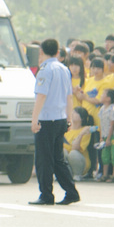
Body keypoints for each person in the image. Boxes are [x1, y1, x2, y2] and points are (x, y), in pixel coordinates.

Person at [29, 38, 80, 205]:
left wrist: (34, 119)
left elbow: (41, 96)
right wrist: (69, 117)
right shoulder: (64, 69)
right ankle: (71, 191)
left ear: (42, 52)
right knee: (58, 159)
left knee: (44, 159)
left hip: (46, 119)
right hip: (60, 118)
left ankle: (46, 195)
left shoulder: (45, 70)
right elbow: (69, 96)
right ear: (58, 52)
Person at [96, 89, 114, 181]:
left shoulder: (113, 110)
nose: (101, 96)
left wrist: (109, 138)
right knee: (104, 155)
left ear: (108, 98)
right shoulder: (102, 109)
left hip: (113, 136)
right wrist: (101, 137)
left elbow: (112, 125)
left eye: (103, 94)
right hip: (105, 136)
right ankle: (105, 174)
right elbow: (101, 124)